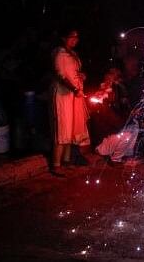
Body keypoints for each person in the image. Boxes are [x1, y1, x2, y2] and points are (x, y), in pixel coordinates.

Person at [49, 29, 92, 176]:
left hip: (74, 96)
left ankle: (66, 161)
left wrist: (81, 76)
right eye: (71, 37)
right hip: (62, 95)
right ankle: (56, 164)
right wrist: (74, 89)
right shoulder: (59, 54)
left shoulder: (72, 54)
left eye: (76, 37)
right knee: (62, 127)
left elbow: (73, 72)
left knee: (71, 127)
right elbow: (61, 76)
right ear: (63, 38)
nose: (75, 40)